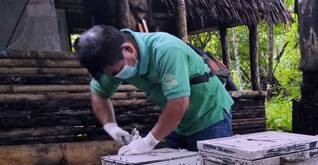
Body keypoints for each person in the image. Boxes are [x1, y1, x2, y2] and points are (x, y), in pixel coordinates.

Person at [75, 25, 234, 154]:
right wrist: (111, 127)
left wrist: (148, 142)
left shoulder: (166, 50)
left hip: (211, 117)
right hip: (179, 126)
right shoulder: (113, 61)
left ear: (128, 49)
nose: (115, 76)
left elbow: (178, 103)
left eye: (116, 72)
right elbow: (98, 94)